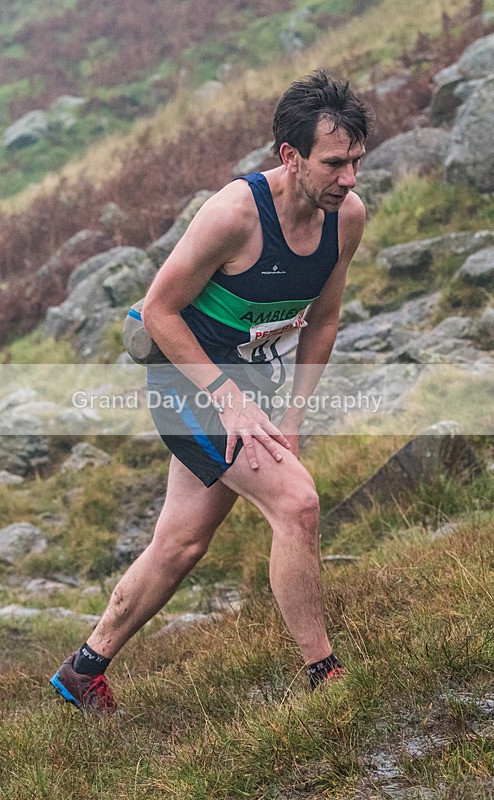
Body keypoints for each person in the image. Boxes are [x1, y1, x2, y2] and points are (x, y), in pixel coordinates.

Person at [50, 68, 371, 712]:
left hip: (252, 378)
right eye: (335, 163)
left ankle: (84, 670)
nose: (350, 179)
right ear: (290, 155)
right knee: (298, 503)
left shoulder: (346, 218)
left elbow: (325, 321)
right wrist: (226, 394)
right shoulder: (233, 215)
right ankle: (325, 677)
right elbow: (160, 311)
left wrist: (294, 415)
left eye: (357, 161)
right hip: (186, 375)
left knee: (183, 541)